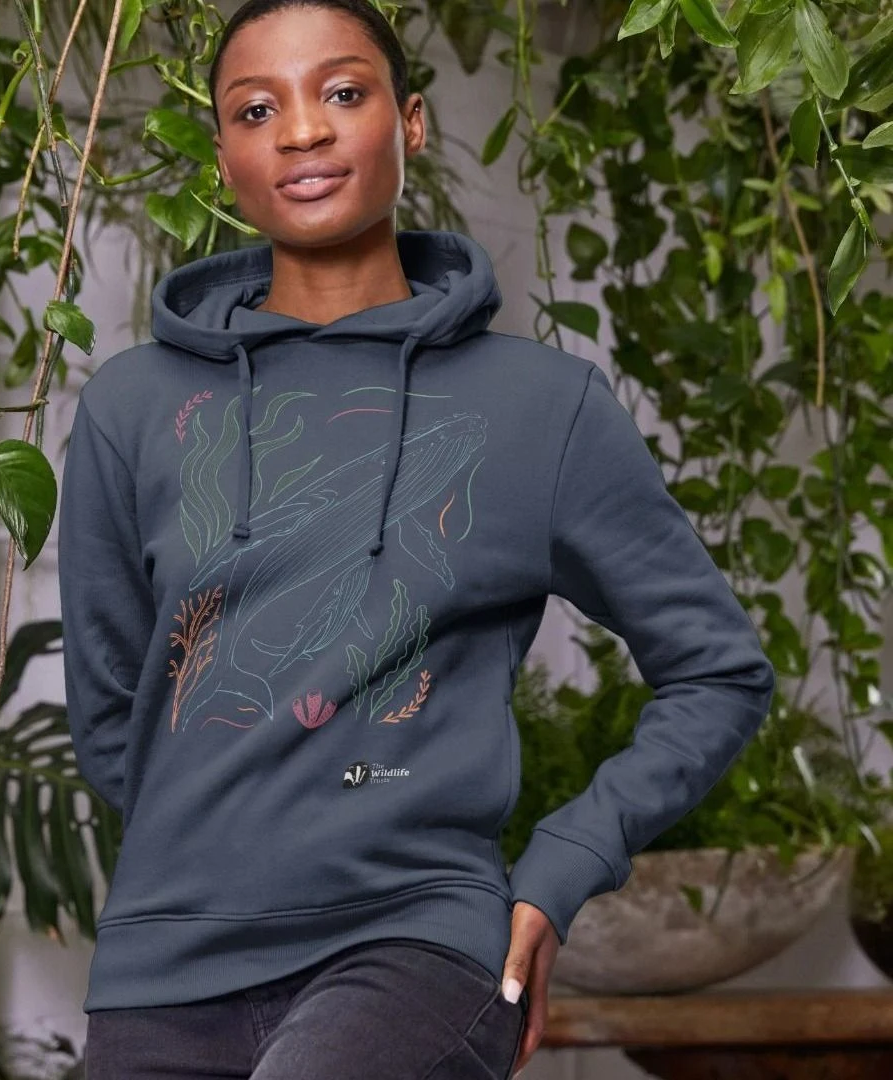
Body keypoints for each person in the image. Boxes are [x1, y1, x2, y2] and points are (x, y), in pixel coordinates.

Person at [56, 1, 777, 1076]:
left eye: (343, 93)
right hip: (162, 965)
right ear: (222, 157)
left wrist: (566, 862)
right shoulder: (131, 407)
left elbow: (718, 672)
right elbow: (118, 714)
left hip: (413, 946)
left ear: (413, 122)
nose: (303, 130)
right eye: (257, 109)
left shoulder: (542, 408)